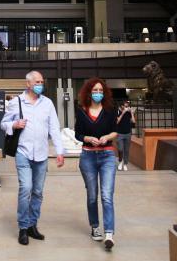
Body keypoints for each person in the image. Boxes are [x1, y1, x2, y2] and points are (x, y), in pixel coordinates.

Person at [0, 71, 65, 246]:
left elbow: (54, 128)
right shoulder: (16, 102)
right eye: (37, 82)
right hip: (23, 152)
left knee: (37, 191)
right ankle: (23, 227)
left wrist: (59, 151)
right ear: (28, 84)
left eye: (42, 82)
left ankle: (32, 225)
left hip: (42, 155)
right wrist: (14, 124)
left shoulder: (48, 103)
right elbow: (3, 123)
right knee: (26, 188)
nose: (40, 85)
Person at [74, 77, 119, 250]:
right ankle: (95, 226)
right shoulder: (82, 111)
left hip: (107, 155)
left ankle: (109, 233)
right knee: (92, 195)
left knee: (107, 195)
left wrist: (107, 137)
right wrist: (87, 138)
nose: (98, 93)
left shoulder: (110, 110)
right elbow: (78, 134)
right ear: (89, 92)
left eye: (101, 91)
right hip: (88, 157)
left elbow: (115, 131)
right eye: (95, 91)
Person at [115, 99, 136, 170]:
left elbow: (133, 121)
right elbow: (117, 122)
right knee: (120, 149)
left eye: (127, 106)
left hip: (128, 133)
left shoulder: (128, 112)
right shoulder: (117, 111)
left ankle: (125, 164)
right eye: (125, 106)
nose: (127, 107)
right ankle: (120, 162)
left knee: (126, 150)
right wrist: (123, 113)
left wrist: (132, 113)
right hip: (119, 133)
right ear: (121, 106)